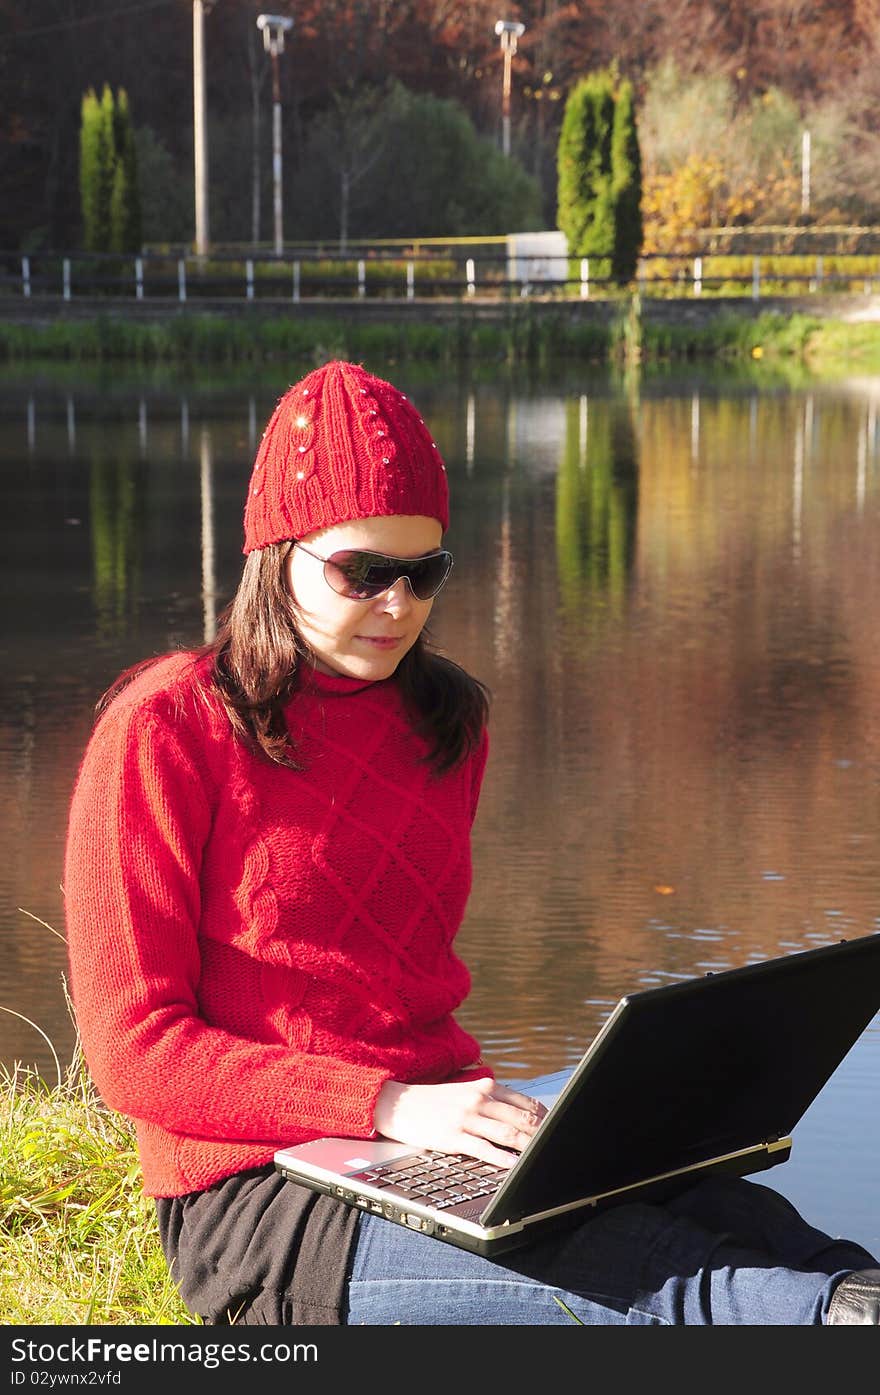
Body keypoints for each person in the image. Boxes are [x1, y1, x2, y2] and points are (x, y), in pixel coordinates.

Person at [64, 358, 880, 1327]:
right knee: (722, 1303)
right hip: (264, 1202)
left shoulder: (442, 722)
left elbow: (398, 989)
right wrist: (388, 1105)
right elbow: (137, 1056)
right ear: (274, 552)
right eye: (364, 571)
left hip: (447, 1143)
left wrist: (457, 1117)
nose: (398, 604)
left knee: (809, 1260)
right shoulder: (168, 725)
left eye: (425, 572)